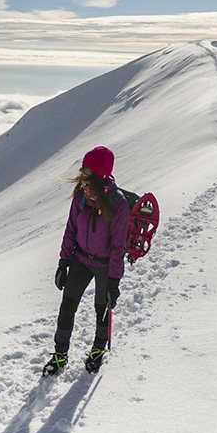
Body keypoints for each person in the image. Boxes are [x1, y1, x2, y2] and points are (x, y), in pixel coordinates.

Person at [42, 146, 129, 376]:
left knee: (102, 309)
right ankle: (60, 355)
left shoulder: (118, 204)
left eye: (87, 172)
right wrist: (63, 263)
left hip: (104, 264)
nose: (82, 176)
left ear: (100, 175)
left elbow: (118, 247)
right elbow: (70, 229)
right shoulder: (81, 196)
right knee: (67, 307)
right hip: (80, 259)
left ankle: (97, 352)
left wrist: (113, 281)